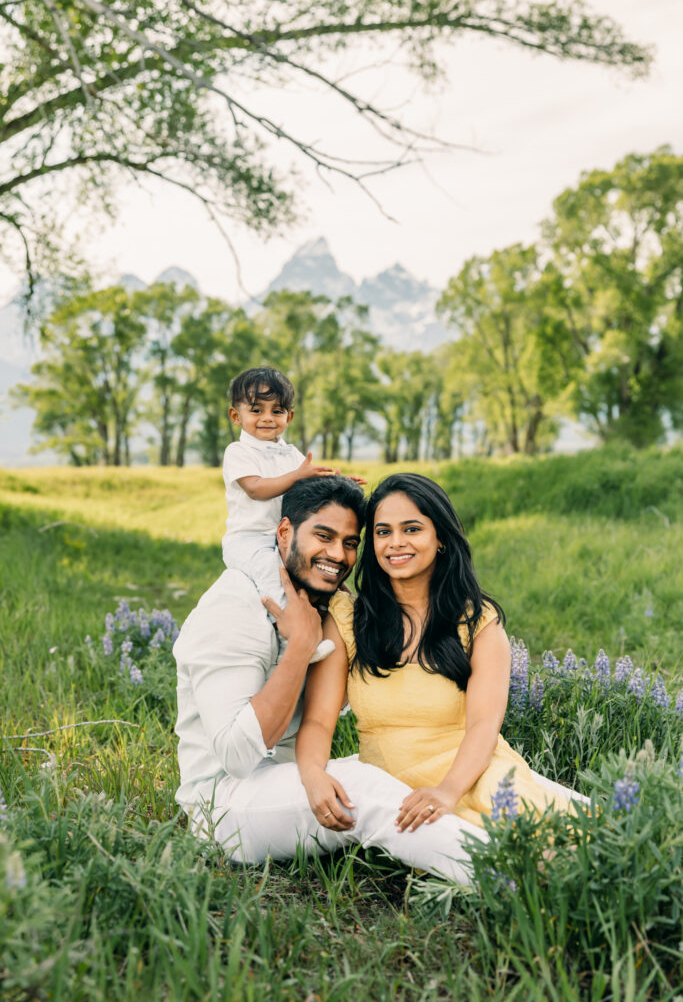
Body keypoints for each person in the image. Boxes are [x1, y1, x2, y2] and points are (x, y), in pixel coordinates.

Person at [174, 476, 488, 882]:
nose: (337, 555)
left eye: (350, 542)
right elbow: (237, 757)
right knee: (364, 787)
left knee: (406, 764)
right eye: (323, 536)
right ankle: (501, 875)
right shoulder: (234, 607)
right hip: (224, 806)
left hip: (293, 781)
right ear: (284, 532)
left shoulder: (328, 606)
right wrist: (300, 648)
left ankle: (572, 833)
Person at [297, 473, 586, 834]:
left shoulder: (478, 621)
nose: (396, 543)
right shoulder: (350, 620)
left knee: (538, 837)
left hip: (474, 773)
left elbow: (484, 725)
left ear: (441, 539)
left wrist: (448, 791)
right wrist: (311, 774)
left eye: (412, 529)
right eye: (383, 532)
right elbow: (319, 721)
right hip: (391, 788)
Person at [222, 365, 344, 662]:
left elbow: (312, 483)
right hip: (249, 540)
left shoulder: (291, 455)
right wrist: (297, 476)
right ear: (236, 416)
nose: (267, 418)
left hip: (285, 538)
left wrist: (338, 484)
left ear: (289, 417)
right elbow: (256, 488)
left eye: (277, 411)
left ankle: (331, 630)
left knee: (315, 574)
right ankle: (293, 638)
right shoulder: (238, 452)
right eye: (256, 410)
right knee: (273, 575)